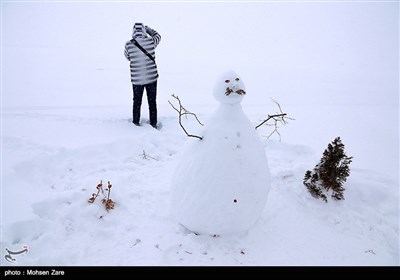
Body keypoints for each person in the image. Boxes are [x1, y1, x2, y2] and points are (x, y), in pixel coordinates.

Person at [124, 23, 161, 128]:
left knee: (137, 102)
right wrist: (148, 29)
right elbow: (158, 36)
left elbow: (127, 57)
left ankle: (136, 123)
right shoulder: (151, 41)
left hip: (137, 79)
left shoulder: (128, 44)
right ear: (144, 31)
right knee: (152, 102)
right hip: (151, 78)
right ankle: (153, 124)